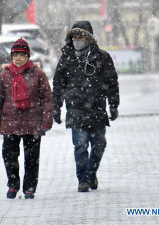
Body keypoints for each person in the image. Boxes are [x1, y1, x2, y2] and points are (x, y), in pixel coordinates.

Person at [53, 20, 119, 192]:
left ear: (89, 38)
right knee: (80, 145)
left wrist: (113, 105)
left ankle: (91, 172)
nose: (78, 40)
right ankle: (83, 179)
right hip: (75, 109)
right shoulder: (66, 58)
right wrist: (56, 106)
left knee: (99, 144)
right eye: (74, 36)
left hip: (97, 108)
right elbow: (58, 83)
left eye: (81, 36)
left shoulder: (102, 57)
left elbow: (112, 82)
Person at [0, 38, 53, 199]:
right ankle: (13, 184)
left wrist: (46, 121)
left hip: (32, 124)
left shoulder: (38, 74)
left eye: (22, 55)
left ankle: (30, 187)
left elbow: (47, 99)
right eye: (15, 55)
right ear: (11, 56)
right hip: (10, 124)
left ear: (28, 56)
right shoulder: (4, 75)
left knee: (32, 159)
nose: (18, 58)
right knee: (9, 156)